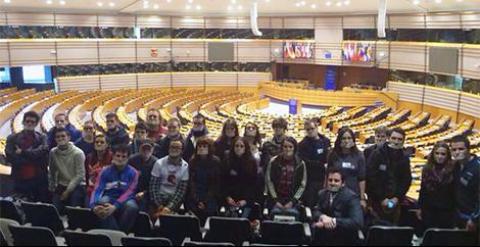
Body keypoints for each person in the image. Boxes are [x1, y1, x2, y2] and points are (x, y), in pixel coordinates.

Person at [366, 127, 412, 225]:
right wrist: (382, 198)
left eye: (399, 139)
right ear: (389, 138)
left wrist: (397, 198)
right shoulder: (377, 153)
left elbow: (406, 180)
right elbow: (371, 177)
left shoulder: (405, 158)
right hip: (377, 201)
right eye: (394, 138)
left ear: (403, 141)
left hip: (395, 201)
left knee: (392, 229)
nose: (396, 142)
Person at [90, 144, 139, 233]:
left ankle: (121, 234)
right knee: (102, 203)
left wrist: (115, 206)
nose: (120, 159)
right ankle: (114, 233)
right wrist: (94, 205)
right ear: (113, 156)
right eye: (118, 156)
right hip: (109, 197)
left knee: (132, 207)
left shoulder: (134, 173)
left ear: (128, 158)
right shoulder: (104, 171)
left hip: (125, 199)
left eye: (124, 156)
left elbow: (129, 192)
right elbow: (97, 189)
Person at [5, 111, 49, 202]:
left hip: (37, 178)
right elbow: (11, 157)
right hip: (19, 178)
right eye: (27, 121)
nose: (29, 123)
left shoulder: (42, 138)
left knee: (35, 208)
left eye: (32, 122)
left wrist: (22, 153)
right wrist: (33, 158)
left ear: (36, 124)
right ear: (23, 122)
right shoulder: (12, 138)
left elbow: (44, 152)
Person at [312, 167, 363, 246]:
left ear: (343, 183)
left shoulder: (352, 197)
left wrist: (333, 221)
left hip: (343, 237)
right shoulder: (322, 194)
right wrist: (322, 217)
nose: (332, 183)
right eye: (330, 180)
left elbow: (357, 222)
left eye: (336, 181)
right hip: (324, 236)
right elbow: (315, 211)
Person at [265, 136, 307, 220]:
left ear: (294, 148)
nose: (287, 149)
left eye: (290, 147)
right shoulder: (273, 161)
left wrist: (293, 201)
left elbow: (302, 185)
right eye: (285, 146)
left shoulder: (300, 164)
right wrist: (276, 200)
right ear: (281, 148)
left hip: (292, 200)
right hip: (275, 199)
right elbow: (269, 181)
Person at [417, 141, 455, 229]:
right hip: (429, 209)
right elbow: (423, 189)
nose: (439, 156)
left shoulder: (453, 169)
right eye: (437, 153)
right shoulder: (427, 169)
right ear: (433, 154)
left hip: (446, 211)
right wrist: (419, 207)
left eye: (443, 154)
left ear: (447, 155)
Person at [327, 127, 367, 210]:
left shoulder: (359, 155)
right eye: (344, 138)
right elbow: (327, 175)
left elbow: (362, 178)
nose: (346, 141)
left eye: (349, 138)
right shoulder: (333, 155)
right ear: (339, 140)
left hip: (353, 193)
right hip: (336, 193)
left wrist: (362, 198)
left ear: (353, 140)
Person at [48, 128, 86, 213]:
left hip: (77, 185)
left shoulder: (78, 153)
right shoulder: (53, 152)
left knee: (73, 211)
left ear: (69, 137)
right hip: (62, 184)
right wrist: (52, 187)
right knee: (54, 210)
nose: (60, 138)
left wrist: (68, 191)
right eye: (58, 137)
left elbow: (80, 175)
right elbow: (52, 171)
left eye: (63, 136)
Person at [149, 139, 189, 218]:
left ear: (182, 150)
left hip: (174, 200)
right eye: (172, 147)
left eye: (177, 147)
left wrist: (168, 208)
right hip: (158, 197)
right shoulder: (159, 163)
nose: (174, 149)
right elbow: (153, 186)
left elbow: (181, 191)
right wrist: (159, 205)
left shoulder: (185, 166)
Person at [222, 137, 259, 219]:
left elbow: (254, 184)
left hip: (246, 199)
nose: (239, 148)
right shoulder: (227, 160)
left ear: (246, 148)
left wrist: (246, 201)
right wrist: (227, 197)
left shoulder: (251, 162)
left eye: (242, 146)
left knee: (243, 222)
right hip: (229, 199)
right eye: (237, 146)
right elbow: (223, 181)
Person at [187, 137, 222, 222]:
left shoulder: (215, 161)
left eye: (204, 146)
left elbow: (215, 184)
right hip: (195, 195)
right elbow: (191, 182)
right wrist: (197, 200)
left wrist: (205, 201)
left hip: (210, 195)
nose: (201, 148)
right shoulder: (192, 161)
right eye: (199, 146)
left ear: (209, 148)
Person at [298, 119, 331, 207]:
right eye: (307, 129)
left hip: (325, 178)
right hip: (310, 180)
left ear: (317, 127)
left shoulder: (326, 141)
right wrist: (321, 165)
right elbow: (305, 162)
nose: (310, 131)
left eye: (312, 128)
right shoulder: (302, 145)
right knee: (311, 203)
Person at [450, 135, 479, 232]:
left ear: (469, 149)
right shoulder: (456, 165)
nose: (457, 152)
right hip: (459, 215)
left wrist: (475, 219)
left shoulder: (477, 167)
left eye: (461, 149)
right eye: (454, 150)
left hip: (473, 219)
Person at [128, 139, 158, 212]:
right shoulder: (132, 160)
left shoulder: (156, 163)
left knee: (142, 208)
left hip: (148, 193)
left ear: (153, 150)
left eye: (148, 149)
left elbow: (156, 184)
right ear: (140, 149)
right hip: (131, 191)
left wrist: (144, 193)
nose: (146, 151)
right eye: (144, 149)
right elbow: (127, 178)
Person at [85, 134, 113, 198]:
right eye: (96, 142)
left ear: (107, 145)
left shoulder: (112, 157)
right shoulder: (89, 157)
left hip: (107, 189)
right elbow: (86, 175)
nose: (99, 144)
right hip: (91, 188)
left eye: (102, 142)